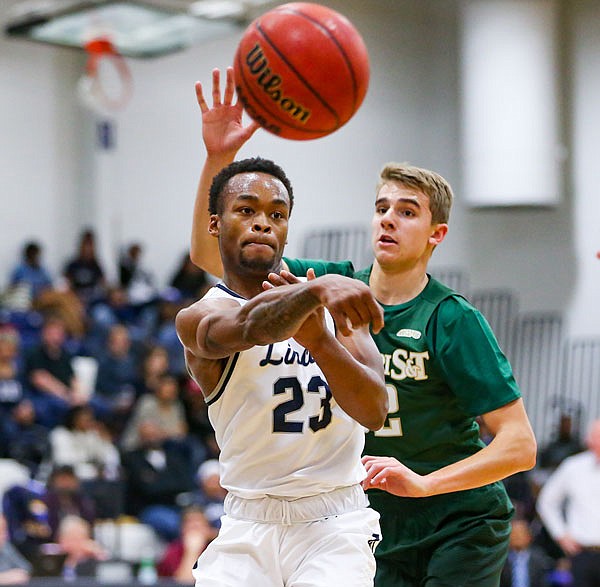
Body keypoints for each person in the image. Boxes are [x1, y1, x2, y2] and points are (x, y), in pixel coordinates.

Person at [189, 67, 538, 587]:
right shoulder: (331, 286)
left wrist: (425, 484)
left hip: (455, 512)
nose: (388, 220)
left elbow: (520, 445)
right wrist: (220, 157)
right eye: (381, 208)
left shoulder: (452, 319)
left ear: (436, 233)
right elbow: (210, 254)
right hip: (373, 506)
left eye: (407, 211)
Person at [175, 152, 388, 586]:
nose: (263, 223)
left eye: (277, 214)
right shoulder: (200, 316)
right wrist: (314, 293)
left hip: (334, 521)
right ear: (215, 224)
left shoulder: (336, 313)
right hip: (247, 521)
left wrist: (321, 341)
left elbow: (373, 411)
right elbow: (251, 323)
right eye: (246, 210)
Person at [536, 418, 600, 587]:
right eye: (594, 437)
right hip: (582, 553)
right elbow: (546, 502)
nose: (594, 441)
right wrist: (561, 534)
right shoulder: (574, 466)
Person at [157, 505, 216, 583]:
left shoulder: (216, 548)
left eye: (199, 522)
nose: (195, 526)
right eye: (190, 522)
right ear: (182, 529)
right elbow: (184, 583)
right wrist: (192, 552)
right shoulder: (174, 550)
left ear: (208, 528)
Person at [500, 518, 554, 587]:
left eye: (520, 533)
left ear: (529, 536)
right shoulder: (501, 559)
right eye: (514, 534)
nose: (517, 537)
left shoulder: (539, 557)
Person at [0, 513, 31, 585]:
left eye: (5, 530)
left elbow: (26, 569)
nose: (6, 535)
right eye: (1, 531)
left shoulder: (6, 547)